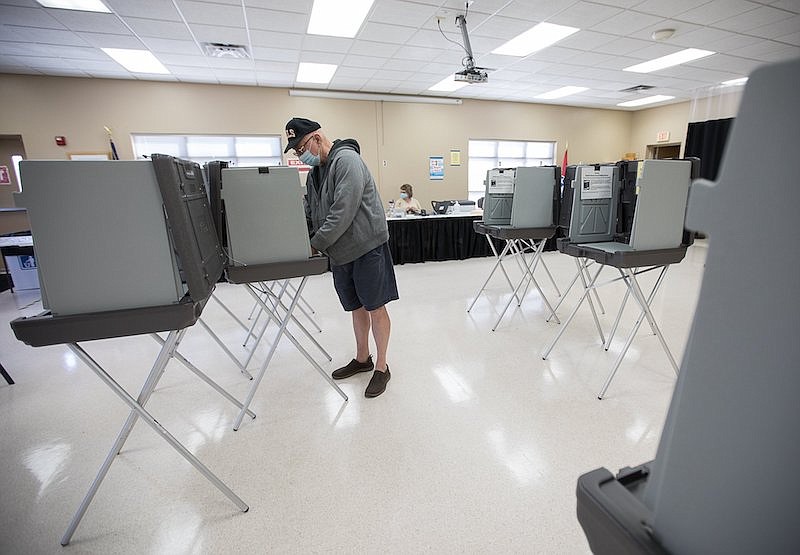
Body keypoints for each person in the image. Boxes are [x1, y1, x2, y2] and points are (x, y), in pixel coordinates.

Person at [284, 117, 398, 398]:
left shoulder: (347, 161)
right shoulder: (315, 173)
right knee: (356, 307)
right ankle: (362, 359)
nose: (301, 156)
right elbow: (310, 210)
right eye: (297, 153)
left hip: (366, 246)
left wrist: (315, 244)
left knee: (375, 306)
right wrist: (303, 238)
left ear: (317, 138)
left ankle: (382, 367)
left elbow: (342, 212)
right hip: (341, 251)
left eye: (301, 148)